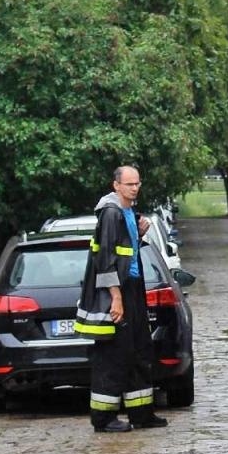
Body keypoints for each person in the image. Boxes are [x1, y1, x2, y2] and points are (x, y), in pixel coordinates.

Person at [76, 165, 168, 433]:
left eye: (137, 183)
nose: (134, 188)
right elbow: (105, 260)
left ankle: (142, 414)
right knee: (113, 355)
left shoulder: (128, 212)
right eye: (129, 184)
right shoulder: (111, 213)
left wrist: (138, 234)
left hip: (134, 287)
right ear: (116, 185)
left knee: (140, 350)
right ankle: (103, 419)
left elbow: (126, 252)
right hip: (118, 291)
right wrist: (116, 299)